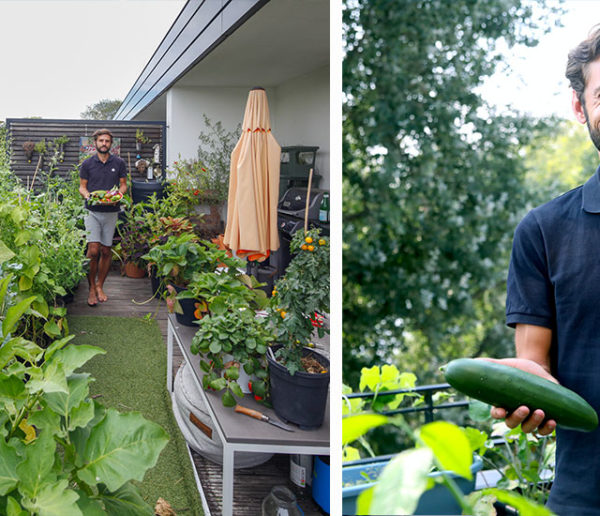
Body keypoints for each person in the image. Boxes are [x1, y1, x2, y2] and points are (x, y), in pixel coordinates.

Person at [492, 26, 600, 515]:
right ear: (580, 108)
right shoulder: (543, 231)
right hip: (585, 496)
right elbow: (536, 372)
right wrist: (529, 393)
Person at [79, 129, 127, 306]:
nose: (104, 143)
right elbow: (82, 187)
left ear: (111, 144)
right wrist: (88, 196)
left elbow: (123, 185)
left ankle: (100, 285)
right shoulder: (87, 164)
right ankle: (91, 287)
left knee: (106, 251)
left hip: (111, 212)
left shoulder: (119, 163)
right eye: (101, 141)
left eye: (107, 141)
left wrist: (117, 196)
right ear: (95, 143)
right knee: (93, 250)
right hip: (92, 211)